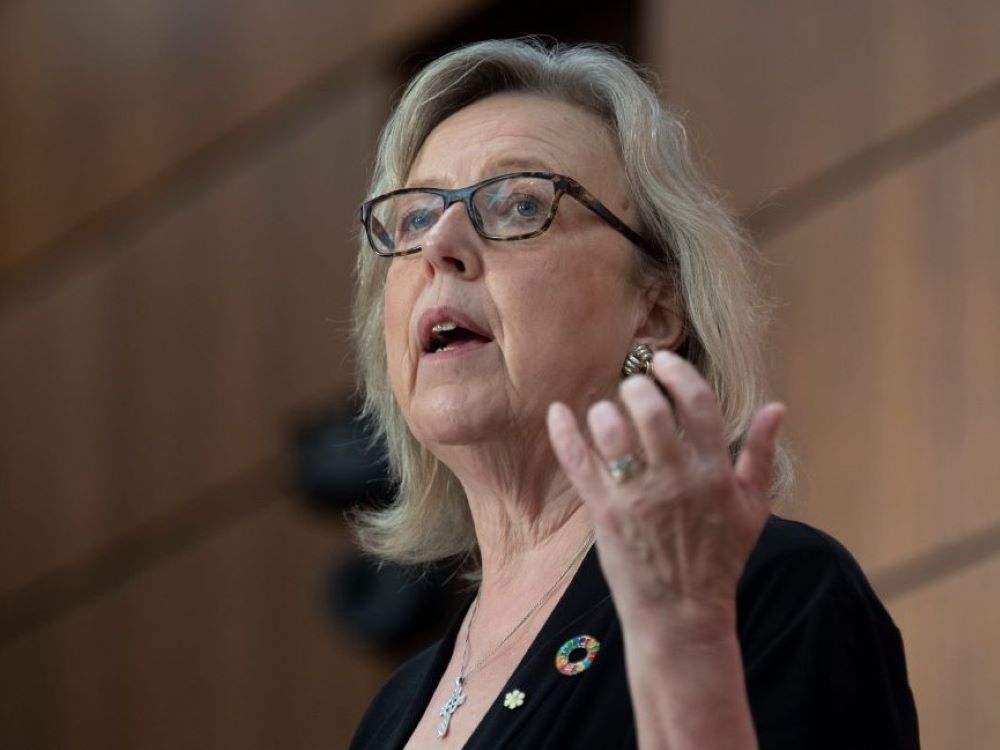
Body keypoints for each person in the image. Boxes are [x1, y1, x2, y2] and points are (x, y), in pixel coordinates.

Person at [348, 38, 919, 749]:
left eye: (519, 204)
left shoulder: (772, 593)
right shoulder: (389, 717)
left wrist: (689, 656)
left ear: (654, 308)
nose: (441, 245)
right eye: (415, 218)